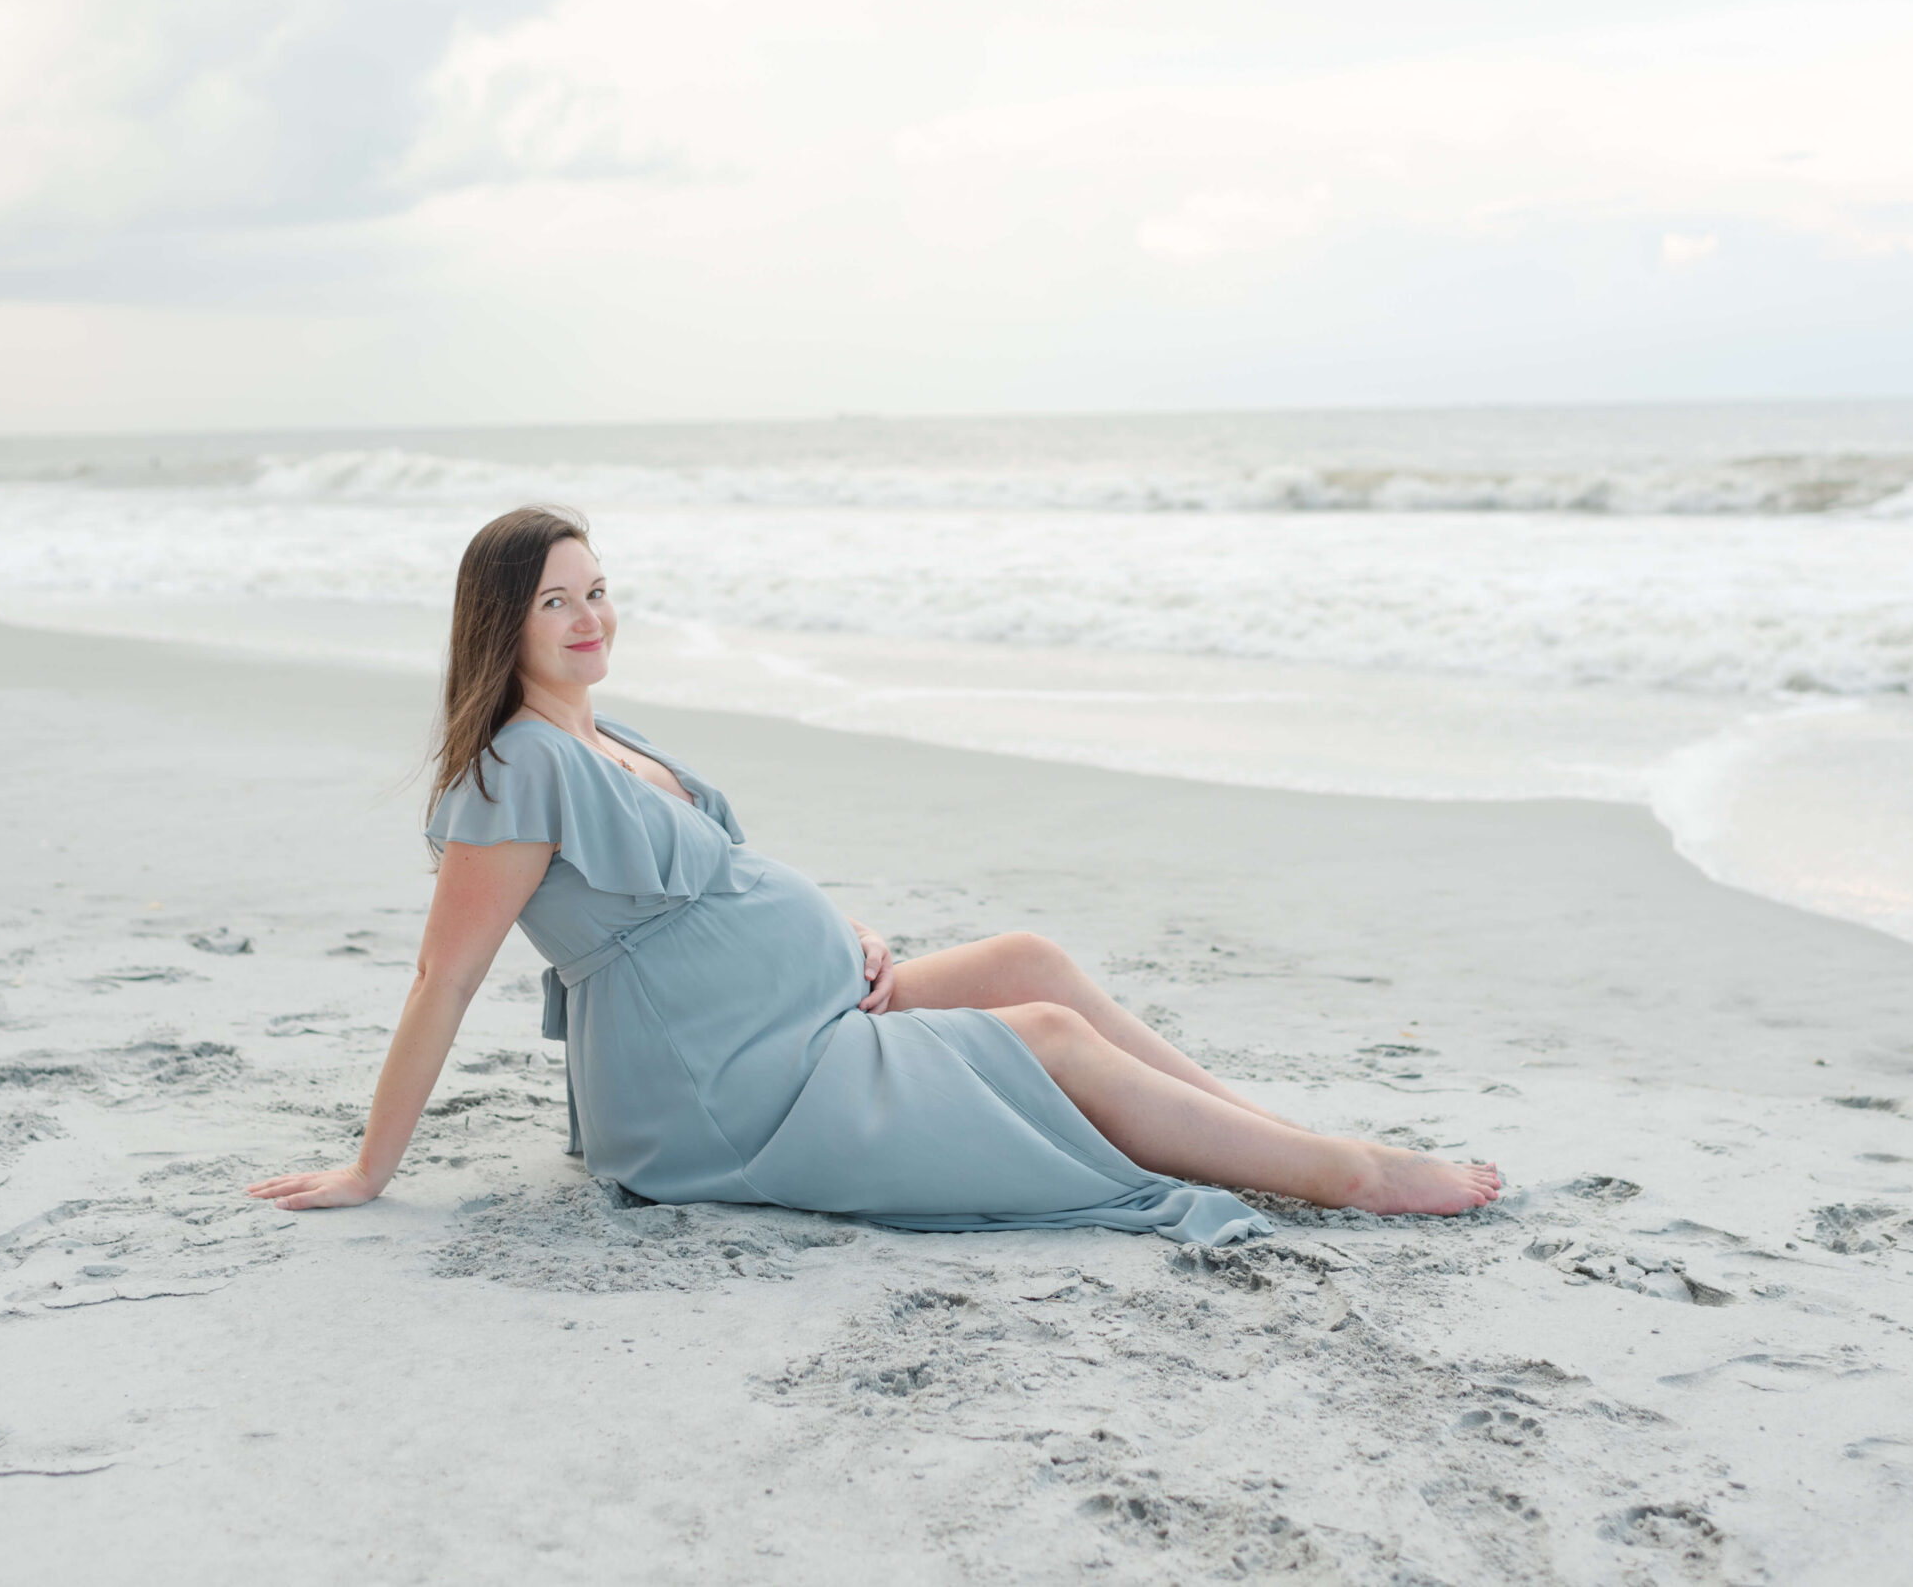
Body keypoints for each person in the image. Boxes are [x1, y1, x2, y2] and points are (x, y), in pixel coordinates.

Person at [249, 507, 1501, 1244]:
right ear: (501, 625)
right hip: (732, 1086)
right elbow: (442, 976)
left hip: (782, 1015)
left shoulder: (594, 732)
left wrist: (818, 925)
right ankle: (1345, 1173)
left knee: (1026, 960)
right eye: (555, 604)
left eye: (599, 591)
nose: (591, 619)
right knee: (1047, 1031)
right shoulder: (517, 766)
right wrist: (371, 1168)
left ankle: (1273, 1135)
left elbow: (712, 883)